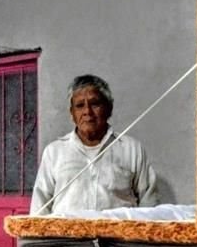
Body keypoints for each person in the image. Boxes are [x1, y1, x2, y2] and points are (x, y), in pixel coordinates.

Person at [30, 74, 158, 215]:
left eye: (95, 104)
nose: (87, 111)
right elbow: (39, 208)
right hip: (66, 230)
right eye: (80, 105)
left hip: (117, 230)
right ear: (72, 113)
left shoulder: (131, 149)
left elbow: (150, 206)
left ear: (109, 109)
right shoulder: (54, 152)